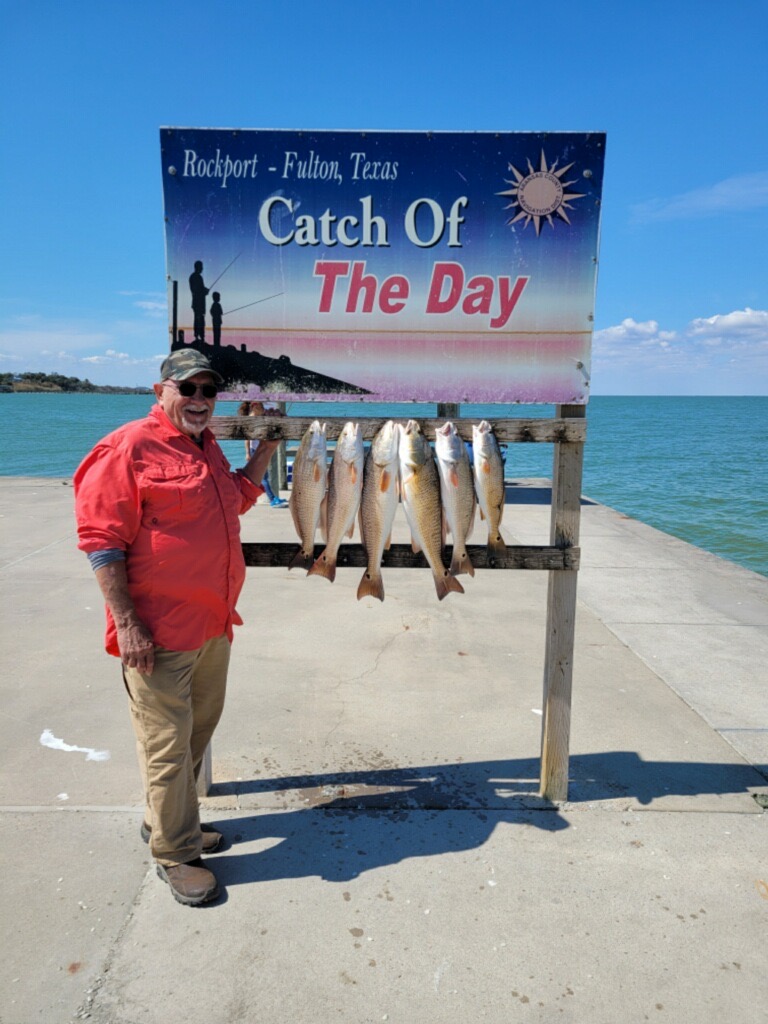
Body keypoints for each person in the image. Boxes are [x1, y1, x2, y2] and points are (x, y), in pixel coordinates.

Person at [74, 349, 281, 906]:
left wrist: (263, 451)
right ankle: (176, 854)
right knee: (166, 745)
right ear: (160, 390)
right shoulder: (126, 448)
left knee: (195, 734)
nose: (199, 401)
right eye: (187, 389)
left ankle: (167, 821)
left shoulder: (205, 445)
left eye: (208, 392)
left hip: (213, 623)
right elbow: (100, 541)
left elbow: (231, 500)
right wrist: (128, 624)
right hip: (158, 633)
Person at [238, 399, 288, 507]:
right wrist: (247, 453)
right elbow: (247, 438)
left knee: (260, 476)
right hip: (254, 450)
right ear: (254, 406)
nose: (262, 409)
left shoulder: (262, 416)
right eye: (260, 406)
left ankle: (248, 496)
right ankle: (272, 499)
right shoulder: (252, 418)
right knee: (263, 477)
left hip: (261, 448)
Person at [189, 260, 209, 342]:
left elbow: (198, 289)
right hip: (199, 303)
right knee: (199, 320)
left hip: (197, 302)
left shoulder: (193, 277)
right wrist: (205, 291)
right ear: (198, 267)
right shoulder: (197, 277)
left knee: (198, 319)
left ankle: (198, 336)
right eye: (201, 267)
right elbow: (197, 290)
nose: (202, 269)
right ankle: (200, 337)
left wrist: (204, 291)